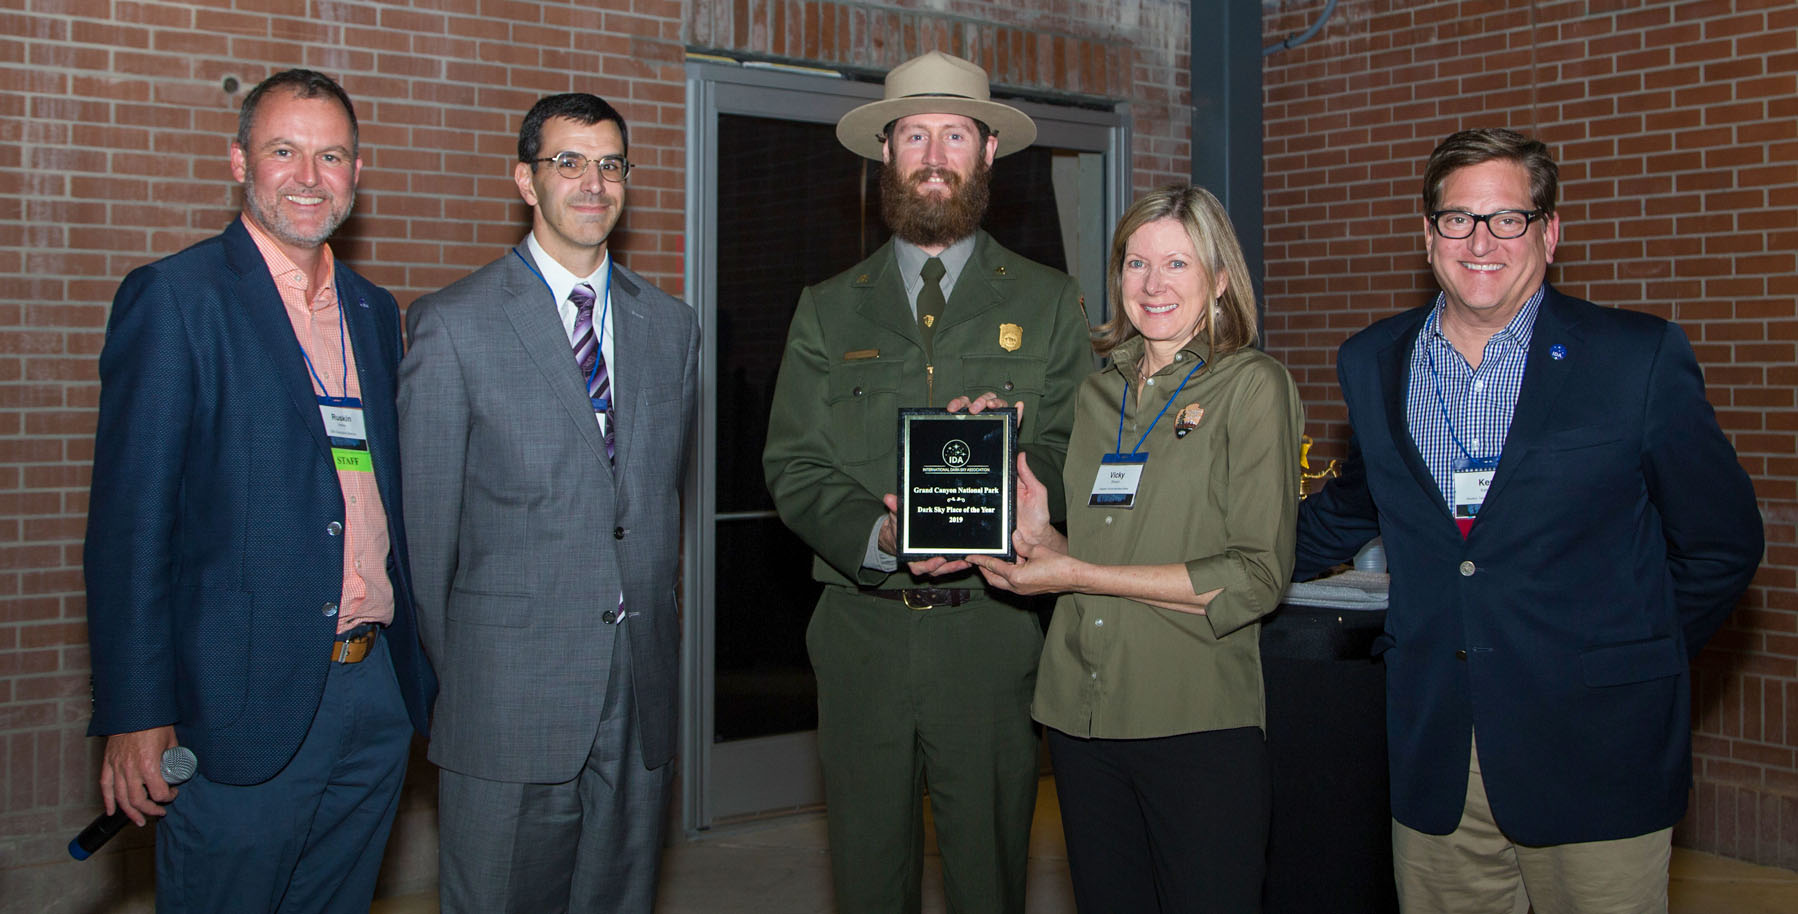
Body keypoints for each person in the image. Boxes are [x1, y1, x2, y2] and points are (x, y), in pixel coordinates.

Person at [1294, 128, 1764, 913]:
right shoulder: (1373, 361)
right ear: (1428, 233)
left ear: (1549, 231)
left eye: (1507, 218)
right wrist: (1187, 556)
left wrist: (1629, 660)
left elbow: (1721, 545)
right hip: (1438, 756)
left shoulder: (1635, 358)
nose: (1481, 241)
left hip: (1598, 753)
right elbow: (1349, 510)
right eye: (1458, 219)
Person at [82, 69, 435, 913]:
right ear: (239, 161)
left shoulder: (374, 311)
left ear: (357, 171)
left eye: (332, 155)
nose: (310, 176)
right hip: (239, 701)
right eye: (285, 151)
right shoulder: (176, 298)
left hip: (373, 693)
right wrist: (135, 712)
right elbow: (129, 527)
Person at [762, 50, 1092, 914]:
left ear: (988, 153)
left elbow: (1067, 449)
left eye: (955, 134)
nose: (935, 153)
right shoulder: (828, 308)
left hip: (990, 641)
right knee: (869, 879)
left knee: (990, 880)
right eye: (915, 134)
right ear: (886, 155)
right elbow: (794, 464)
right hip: (862, 640)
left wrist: (1021, 475)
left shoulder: (1049, 301)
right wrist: (881, 536)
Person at [398, 92, 698, 914]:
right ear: (526, 182)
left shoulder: (671, 327)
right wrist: (466, 686)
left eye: (610, 164)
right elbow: (426, 543)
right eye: (568, 162)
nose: (593, 182)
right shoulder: (453, 326)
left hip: (637, 697)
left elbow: (648, 510)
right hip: (507, 699)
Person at [970, 184, 1302, 912]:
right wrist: (1037, 535)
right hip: (1080, 717)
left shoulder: (1253, 387)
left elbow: (1255, 577)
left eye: (1178, 264)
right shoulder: (1098, 398)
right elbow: (1094, 552)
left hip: (1195, 722)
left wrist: (1075, 569)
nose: (1153, 285)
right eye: (1136, 264)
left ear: (1219, 279)